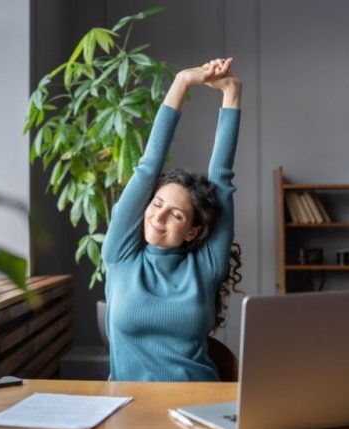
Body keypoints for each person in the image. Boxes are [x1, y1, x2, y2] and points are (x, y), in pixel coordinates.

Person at [102, 58, 243, 381]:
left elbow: (221, 180)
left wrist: (232, 93)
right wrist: (182, 82)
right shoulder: (120, 255)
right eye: (157, 203)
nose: (158, 216)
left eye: (176, 214)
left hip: (198, 400)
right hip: (129, 408)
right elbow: (148, 166)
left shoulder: (205, 267)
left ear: (193, 230)